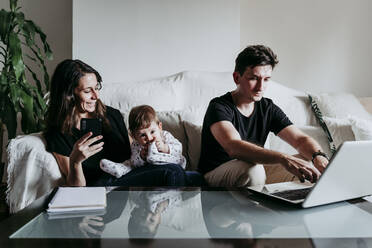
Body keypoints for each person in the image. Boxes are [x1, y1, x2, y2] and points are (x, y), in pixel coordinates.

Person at [198, 45, 329, 187]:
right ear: (237, 77)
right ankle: (257, 207)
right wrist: (283, 158)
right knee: (253, 170)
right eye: (254, 78)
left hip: (256, 170)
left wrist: (318, 156)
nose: (261, 87)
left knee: (307, 163)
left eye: (266, 79)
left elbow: (299, 139)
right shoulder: (219, 106)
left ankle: (294, 205)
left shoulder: (267, 107)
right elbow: (233, 146)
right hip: (215, 174)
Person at [44, 59, 187, 187]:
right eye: (88, 91)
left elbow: (133, 151)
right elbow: (77, 189)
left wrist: (146, 151)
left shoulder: (111, 115)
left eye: (97, 87)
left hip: (129, 175)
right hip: (102, 188)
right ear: (69, 95)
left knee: (190, 176)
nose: (96, 96)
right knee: (173, 172)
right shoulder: (57, 132)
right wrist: (75, 162)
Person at [100, 105, 187, 178]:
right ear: (134, 136)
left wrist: (165, 148)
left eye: (152, 132)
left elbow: (178, 148)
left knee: (179, 159)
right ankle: (119, 170)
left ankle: (155, 158)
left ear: (159, 127)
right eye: (142, 135)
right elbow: (135, 162)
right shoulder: (136, 144)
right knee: (129, 164)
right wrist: (141, 156)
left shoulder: (165, 135)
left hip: (170, 162)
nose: (149, 138)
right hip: (148, 169)